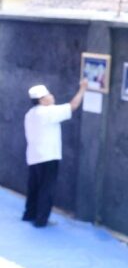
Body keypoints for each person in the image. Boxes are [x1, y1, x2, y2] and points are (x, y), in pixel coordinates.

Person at [22, 79, 88, 228]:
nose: (52, 96)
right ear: (41, 100)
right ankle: (41, 221)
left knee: (34, 188)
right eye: (48, 95)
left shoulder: (30, 114)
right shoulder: (48, 112)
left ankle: (29, 214)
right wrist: (83, 88)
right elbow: (73, 106)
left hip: (33, 157)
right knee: (46, 189)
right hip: (48, 157)